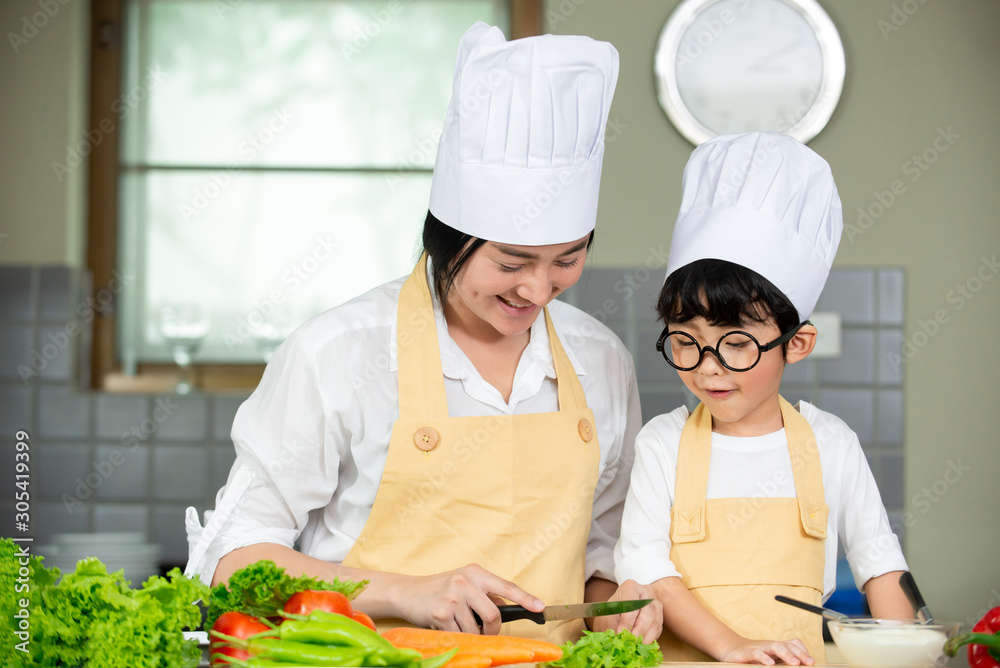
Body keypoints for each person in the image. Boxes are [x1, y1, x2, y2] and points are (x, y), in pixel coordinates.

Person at [185, 22, 661, 644]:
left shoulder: (600, 359)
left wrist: (622, 600)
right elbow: (228, 563)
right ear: (448, 239)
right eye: (512, 263)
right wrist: (402, 591)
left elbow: (599, 557)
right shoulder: (338, 351)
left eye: (567, 259)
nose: (539, 291)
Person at [613, 132, 913, 665]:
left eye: (735, 344)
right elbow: (644, 567)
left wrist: (912, 652)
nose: (708, 368)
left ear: (796, 344)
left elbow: (880, 565)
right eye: (686, 342)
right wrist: (733, 647)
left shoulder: (829, 443)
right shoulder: (664, 443)